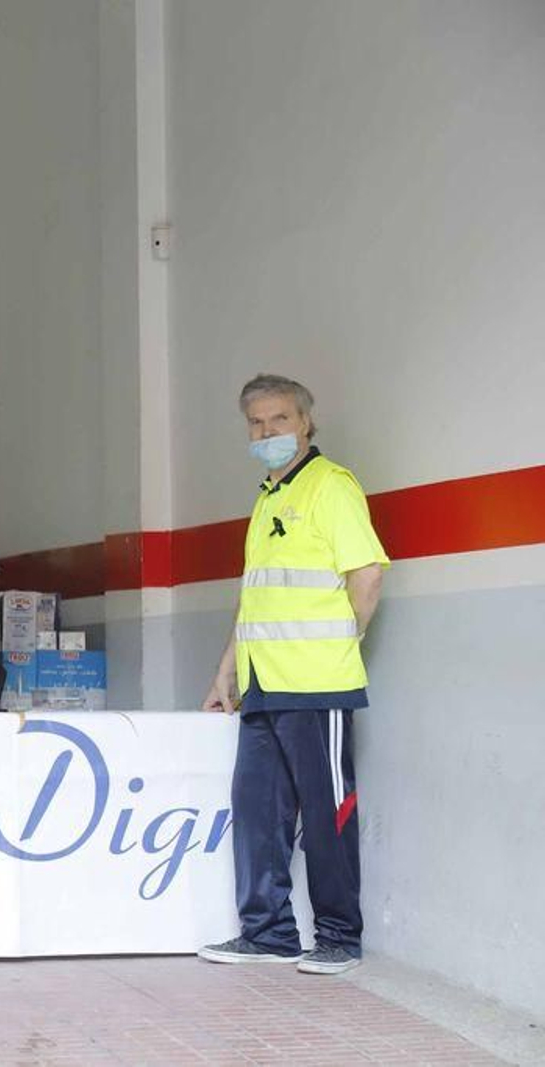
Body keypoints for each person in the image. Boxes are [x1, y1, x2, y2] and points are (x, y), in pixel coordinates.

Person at [197, 374, 387, 976]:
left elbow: (368, 577)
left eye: (279, 419)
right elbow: (254, 599)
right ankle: (267, 932)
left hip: (316, 685)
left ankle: (338, 938)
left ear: (305, 423)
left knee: (328, 814)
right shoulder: (267, 498)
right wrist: (225, 670)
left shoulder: (332, 487)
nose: (267, 432)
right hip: (263, 685)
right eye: (255, 422)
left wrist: (337, 646)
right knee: (257, 812)